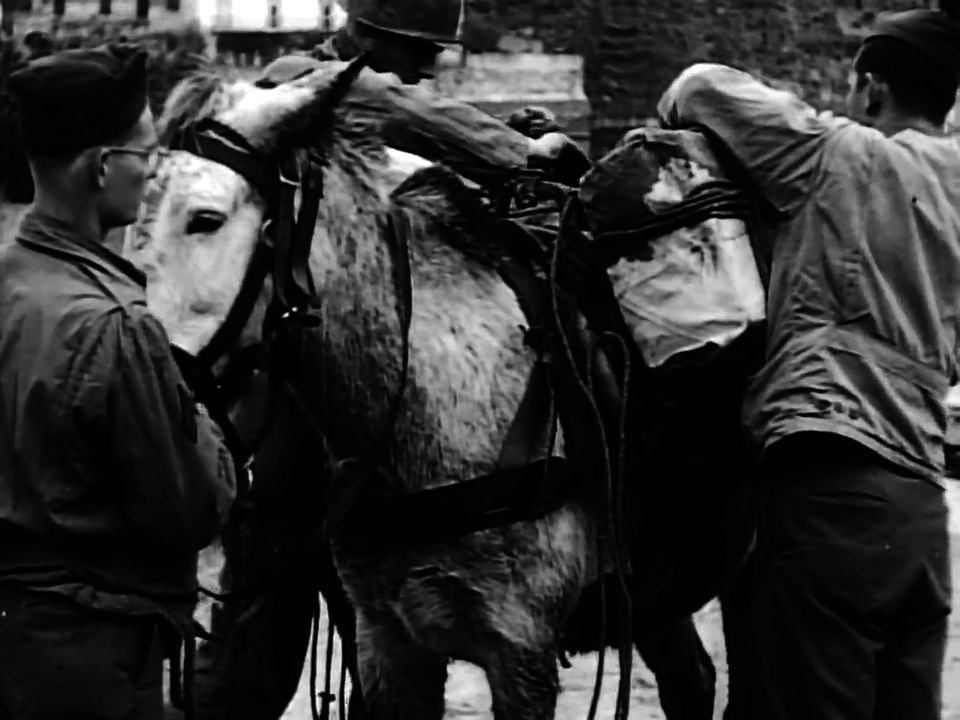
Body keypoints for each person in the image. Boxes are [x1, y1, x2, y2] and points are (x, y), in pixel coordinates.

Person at [657, 4, 960, 719]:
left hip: (827, 490)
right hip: (920, 508)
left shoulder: (836, 154)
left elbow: (698, 86)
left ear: (873, 88)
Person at [0, 43, 237, 719]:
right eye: (148, 155)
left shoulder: (11, 280)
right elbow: (186, 511)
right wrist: (203, 426)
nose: (152, 173)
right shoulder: (116, 326)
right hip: (91, 655)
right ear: (104, 167)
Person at [254, 0, 589, 190]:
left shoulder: (355, 101)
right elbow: (392, 103)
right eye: (419, 51)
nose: (429, 70)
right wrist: (525, 149)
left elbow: (418, 136)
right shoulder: (293, 75)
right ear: (366, 37)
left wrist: (506, 130)